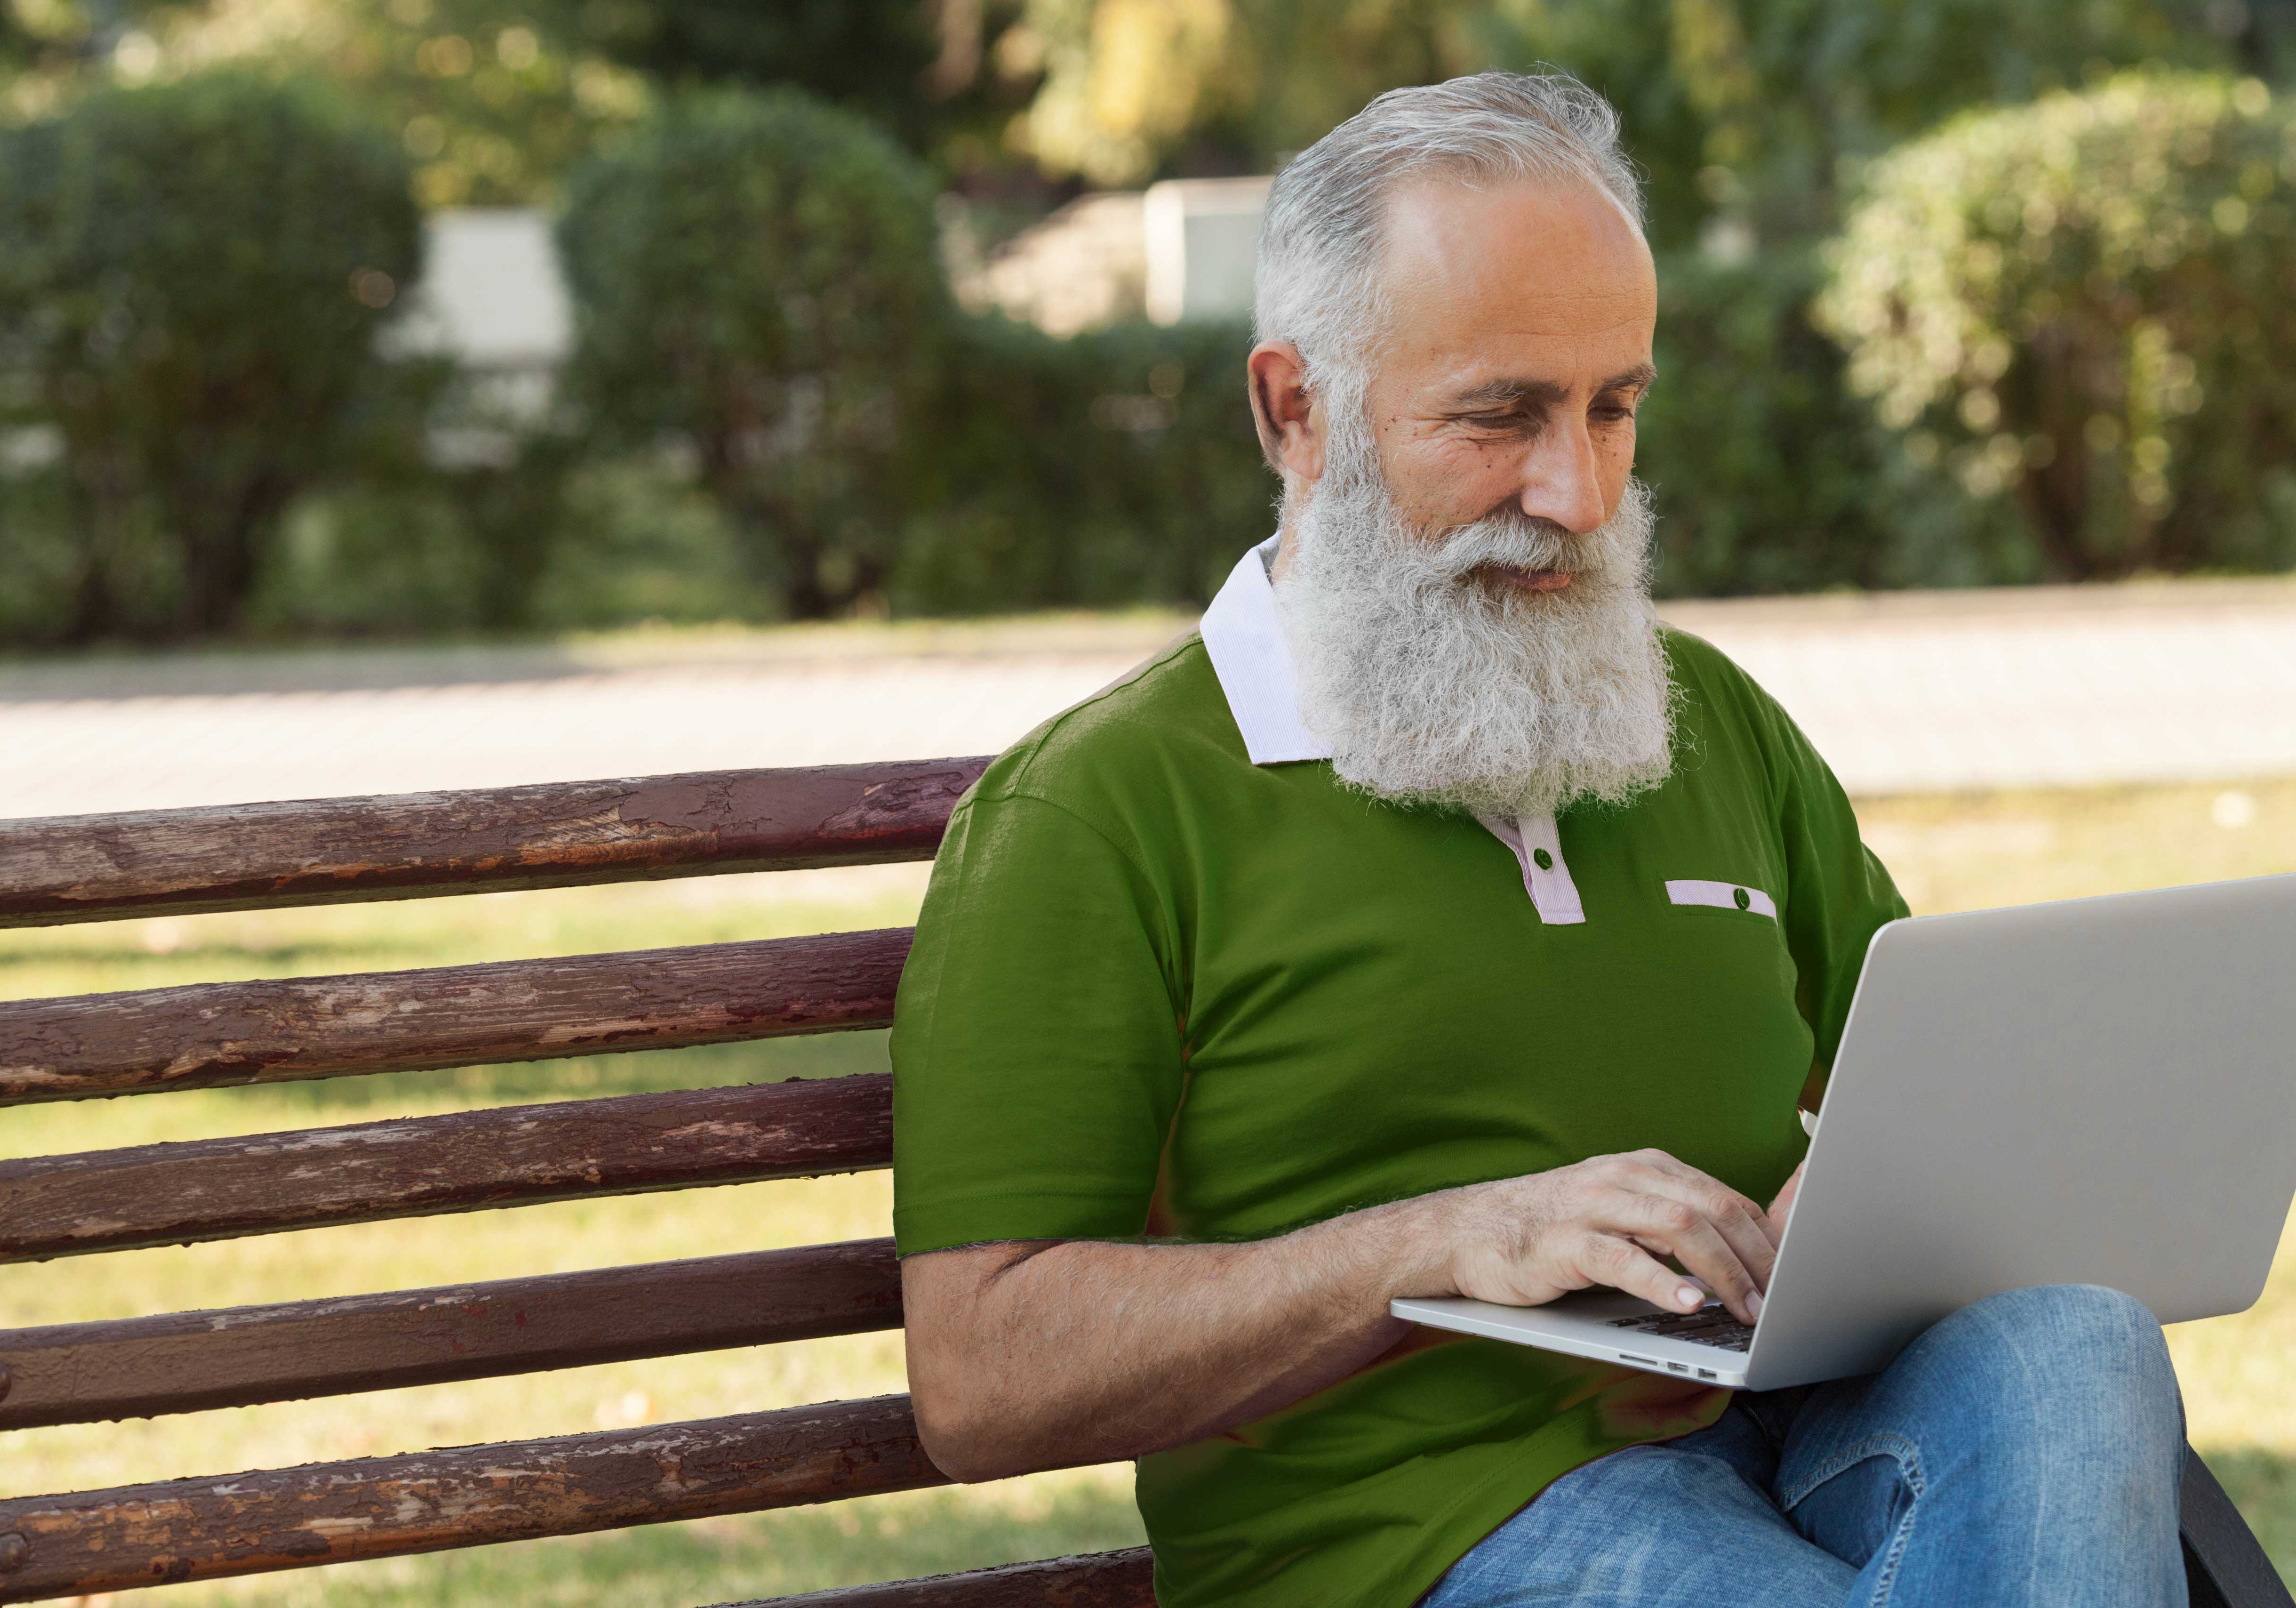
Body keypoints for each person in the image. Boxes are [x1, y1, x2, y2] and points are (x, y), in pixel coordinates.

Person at [892, 70, 2189, 1608]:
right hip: (1418, 1539)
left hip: (1794, 1442)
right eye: (1501, 414)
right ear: (1295, 408)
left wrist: (1874, 1201)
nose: (1575, 493)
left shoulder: (1704, 716)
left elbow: (1914, 1090)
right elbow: (978, 1377)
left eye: (1615, 407)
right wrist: (1454, 1240)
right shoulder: (1098, 812)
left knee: (2075, 1343)